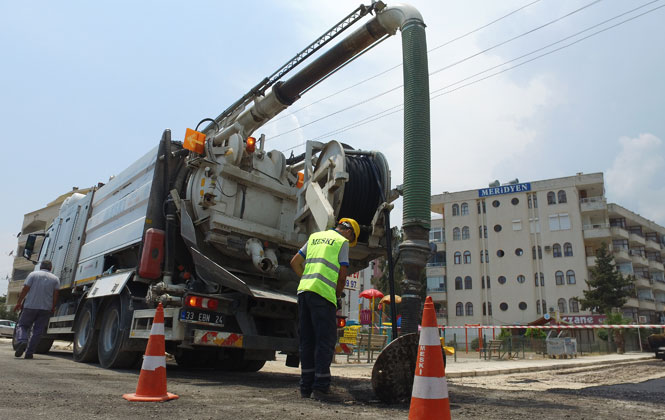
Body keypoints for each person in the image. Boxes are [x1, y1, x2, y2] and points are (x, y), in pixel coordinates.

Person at [290, 218, 360, 401]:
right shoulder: (342, 242)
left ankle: (306, 387)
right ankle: (320, 387)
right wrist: (336, 296)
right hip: (323, 296)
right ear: (349, 233)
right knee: (325, 341)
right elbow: (342, 277)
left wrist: (308, 279)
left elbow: (295, 262)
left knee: (307, 341)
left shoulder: (315, 237)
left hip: (304, 292)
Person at [13, 260, 60, 359]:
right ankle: (29, 353)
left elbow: (25, 289)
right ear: (51, 268)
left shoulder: (33, 275)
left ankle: (22, 340)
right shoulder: (55, 279)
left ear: (40, 266)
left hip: (30, 306)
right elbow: (56, 295)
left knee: (22, 325)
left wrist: (19, 303)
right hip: (45, 309)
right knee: (38, 331)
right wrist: (53, 306)